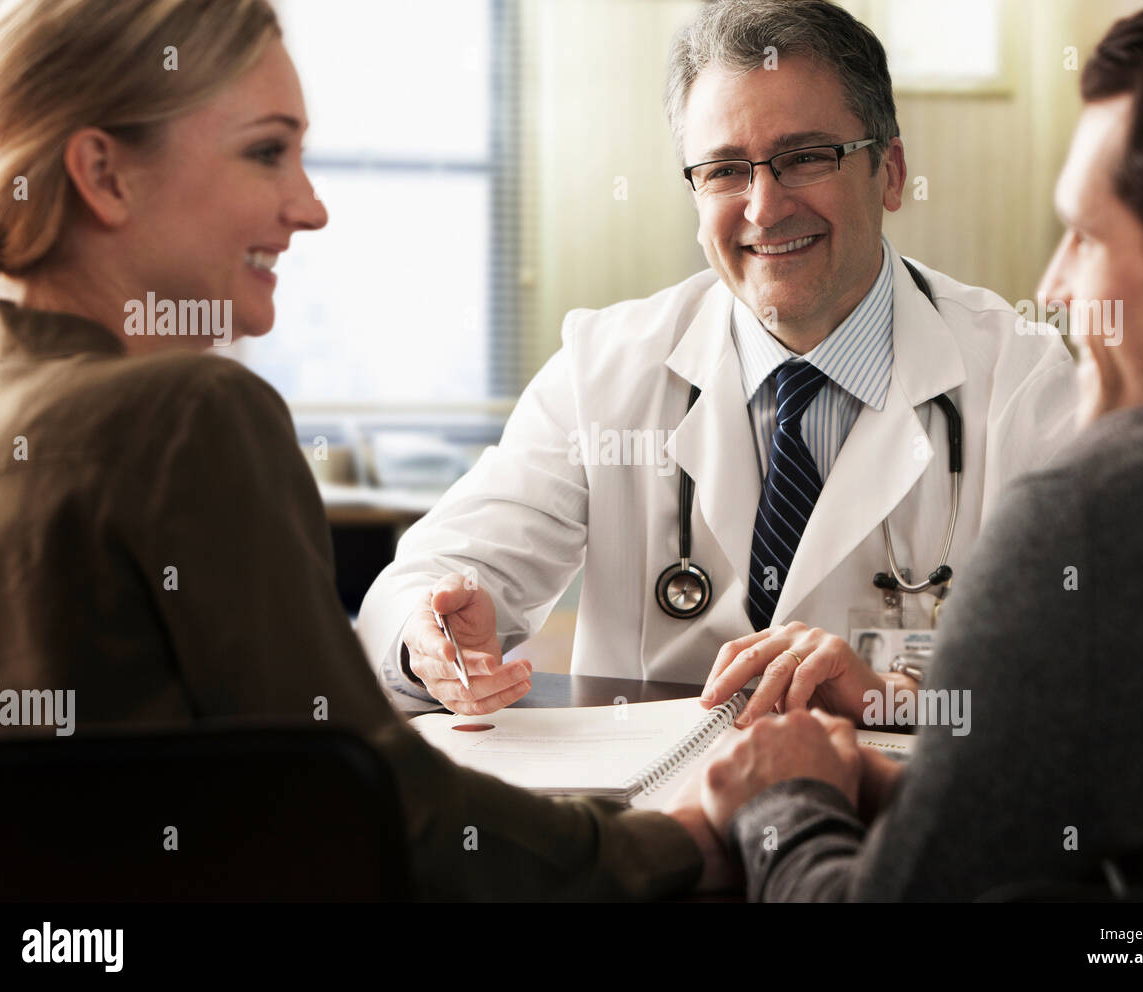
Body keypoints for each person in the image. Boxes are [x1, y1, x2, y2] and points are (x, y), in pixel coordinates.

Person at [0, 0, 722, 900]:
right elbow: (390, 823)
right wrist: (689, 836)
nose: (311, 206)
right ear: (103, 173)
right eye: (266, 151)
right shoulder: (186, 418)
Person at [356, 0, 1079, 719]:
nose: (764, 207)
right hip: (652, 824)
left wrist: (903, 701)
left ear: (888, 173)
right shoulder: (605, 369)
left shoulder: (1020, 381)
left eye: (804, 158)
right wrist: (434, 634)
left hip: (893, 819)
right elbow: (433, 574)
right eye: (725, 170)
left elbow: (1089, 670)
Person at [698, 1, 1143, 901]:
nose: (1053, 286)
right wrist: (934, 797)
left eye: (1082, 238)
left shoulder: (1104, 504)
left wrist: (786, 803)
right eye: (725, 170)